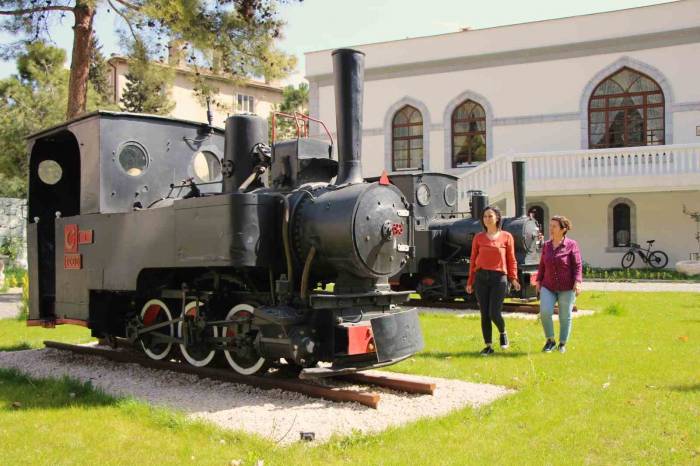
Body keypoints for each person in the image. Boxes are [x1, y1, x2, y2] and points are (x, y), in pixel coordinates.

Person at [466, 206, 521, 355]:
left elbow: (511, 259)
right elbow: (472, 260)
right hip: (481, 277)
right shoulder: (478, 237)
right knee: (484, 313)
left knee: (494, 313)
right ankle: (488, 346)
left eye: (490, 216)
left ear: (497, 218)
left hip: (499, 278)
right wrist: (470, 281)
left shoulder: (506, 236)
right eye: (484, 217)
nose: (487, 219)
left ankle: (503, 332)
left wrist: (513, 278)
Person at [536, 215, 583, 353]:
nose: (551, 229)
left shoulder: (571, 245)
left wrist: (578, 282)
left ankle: (562, 343)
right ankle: (550, 341)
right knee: (545, 312)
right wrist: (538, 280)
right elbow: (542, 265)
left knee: (565, 316)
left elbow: (578, 265)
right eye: (550, 226)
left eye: (554, 226)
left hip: (567, 287)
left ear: (563, 229)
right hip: (548, 286)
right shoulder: (546, 245)